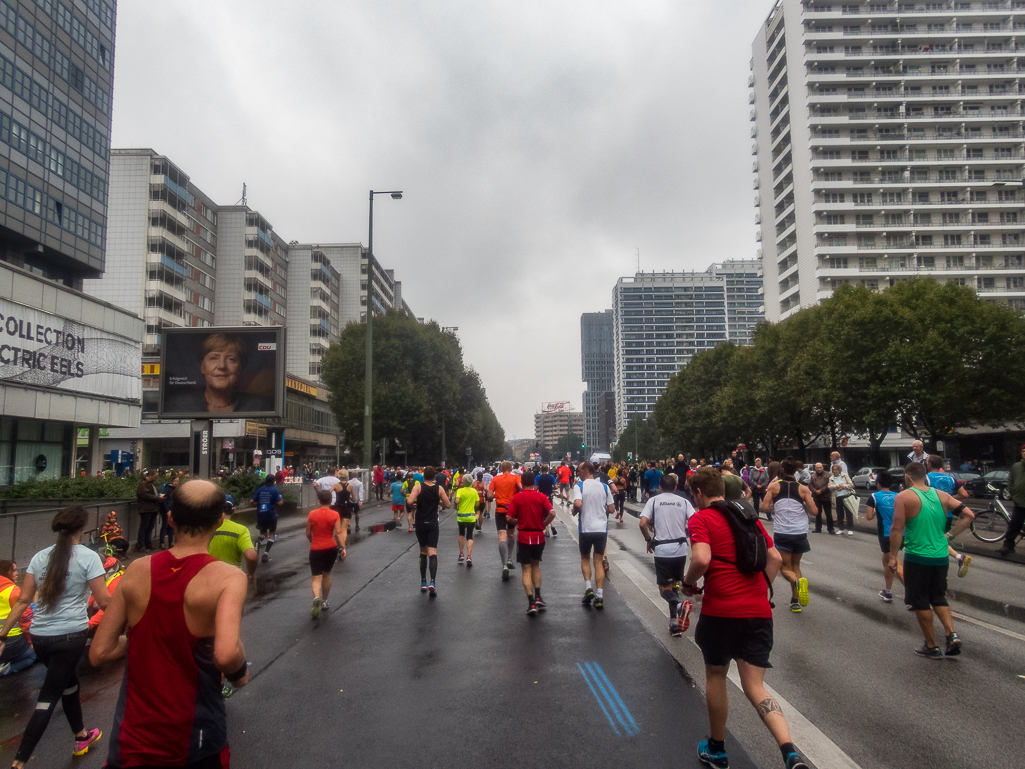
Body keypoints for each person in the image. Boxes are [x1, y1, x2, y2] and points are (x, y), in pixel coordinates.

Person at [90, 480, 250, 768]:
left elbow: (99, 652)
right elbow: (226, 653)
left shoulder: (136, 570)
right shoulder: (229, 578)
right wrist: (240, 674)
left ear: (171, 518)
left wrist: (145, 638)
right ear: (218, 521)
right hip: (194, 739)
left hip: (132, 740)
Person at [682, 467, 810, 769]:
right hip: (758, 612)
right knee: (755, 686)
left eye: (692, 495)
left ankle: (717, 749)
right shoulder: (746, 515)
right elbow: (776, 558)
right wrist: (763, 589)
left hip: (722, 611)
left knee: (716, 675)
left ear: (699, 493)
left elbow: (701, 559)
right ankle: (790, 751)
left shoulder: (701, 518)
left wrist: (689, 583)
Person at [0, 507, 109, 766]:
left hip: (40, 637)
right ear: (81, 528)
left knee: (69, 684)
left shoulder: (39, 557)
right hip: (70, 636)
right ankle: (19, 761)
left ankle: (81, 736)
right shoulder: (88, 557)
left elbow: (24, 600)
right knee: (48, 697)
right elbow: (104, 601)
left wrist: (2, 635)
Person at [889, 462, 975, 658]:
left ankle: (931, 645)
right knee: (938, 597)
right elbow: (968, 515)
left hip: (917, 556)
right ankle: (951, 634)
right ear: (924, 476)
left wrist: (893, 556)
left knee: (920, 601)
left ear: (907, 477)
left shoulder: (904, 497)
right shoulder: (942, 495)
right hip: (940, 557)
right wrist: (949, 536)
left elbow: (896, 529)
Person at [639, 474, 695, 637]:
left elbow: (642, 523)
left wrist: (648, 539)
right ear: (676, 487)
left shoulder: (654, 501)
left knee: (664, 589)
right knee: (675, 585)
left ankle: (678, 606)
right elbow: (695, 521)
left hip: (662, 550)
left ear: (660, 487)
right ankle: (674, 624)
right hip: (680, 549)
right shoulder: (684, 502)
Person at [163, 332, 273, 413]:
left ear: (240, 368)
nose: (222, 366)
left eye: (231, 359)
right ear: (202, 367)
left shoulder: (260, 406)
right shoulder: (177, 406)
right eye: (213, 358)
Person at [761, 458, 818, 613]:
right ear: (796, 470)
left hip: (783, 532)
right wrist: (804, 505)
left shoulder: (773, 486)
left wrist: (776, 507)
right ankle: (795, 601)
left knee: (785, 568)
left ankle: (797, 583)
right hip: (800, 531)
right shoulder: (803, 489)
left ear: (782, 470)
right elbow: (814, 511)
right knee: (796, 565)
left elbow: (764, 507)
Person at [507, 471, 556, 616]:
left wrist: (517, 522)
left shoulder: (517, 498)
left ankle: (531, 603)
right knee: (536, 565)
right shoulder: (541, 497)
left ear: (521, 483)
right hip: (538, 536)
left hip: (524, 536)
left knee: (526, 569)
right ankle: (538, 595)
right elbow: (552, 512)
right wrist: (543, 524)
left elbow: (509, 517)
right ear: (534, 482)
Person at [572, 461, 615, 609]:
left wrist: (574, 511)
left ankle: (589, 587)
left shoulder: (579, 486)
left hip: (586, 528)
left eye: (579, 470)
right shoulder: (604, 487)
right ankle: (600, 595)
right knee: (598, 561)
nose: (577, 472)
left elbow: (577, 504)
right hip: (601, 529)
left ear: (585, 471)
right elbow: (612, 508)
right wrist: (602, 510)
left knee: (585, 558)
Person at [925, 454, 972, 577]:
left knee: (932, 542)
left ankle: (940, 571)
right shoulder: (951, 479)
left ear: (929, 464)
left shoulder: (926, 478)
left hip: (932, 514)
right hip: (948, 515)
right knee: (940, 539)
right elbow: (964, 494)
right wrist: (950, 499)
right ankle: (958, 558)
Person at [406, 466, 451, 596]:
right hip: (432, 523)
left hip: (420, 522)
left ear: (423, 475)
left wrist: (415, 504)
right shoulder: (439, 489)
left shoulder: (418, 487)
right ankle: (433, 582)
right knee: (433, 553)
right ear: (434, 477)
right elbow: (448, 505)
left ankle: (423, 582)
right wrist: (438, 503)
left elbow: (409, 501)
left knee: (423, 551)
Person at [865, 470, 903, 603]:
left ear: (878, 484)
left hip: (887, 534)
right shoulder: (898, 496)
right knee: (886, 561)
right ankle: (887, 591)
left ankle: (913, 596)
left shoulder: (874, 497)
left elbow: (869, 517)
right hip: (901, 533)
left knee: (895, 564)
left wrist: (875, 511)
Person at [307, 489, 344, 618]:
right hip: (331, 547)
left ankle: (316, 597)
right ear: (330, 500)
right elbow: (338, 533)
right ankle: (324, 601)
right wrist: (342, 547)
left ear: (319, 500)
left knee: (316, 577)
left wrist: (313, 541)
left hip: (316, 548)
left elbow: (308, 533)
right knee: (326, 575)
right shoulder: (335, 514)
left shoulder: (312, 514)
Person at [208, 497, 258, 582]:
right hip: (233, 579)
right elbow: (251, 557)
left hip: (209, 577)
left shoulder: (206, 528)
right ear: (234, 510)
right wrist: (250, 574)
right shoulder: (241, 530)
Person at [0, 560, 36, 677]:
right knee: (33, 655)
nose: (17, 574)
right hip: (10, 641)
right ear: (6, 572)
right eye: (14, 570)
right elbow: (26, 620)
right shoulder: (13, 591)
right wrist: (32, 641)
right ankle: (6, 669)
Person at [488, 461, 523, 581]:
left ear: (501, 469)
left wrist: (496, 495)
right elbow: (521, 489)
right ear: (511, 468)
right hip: (512, 510)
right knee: (511, 533)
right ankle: (509, 559)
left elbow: (488, 495)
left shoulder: (495, 479)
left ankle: (503, 565)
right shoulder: (516, 478)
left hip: (500, 510)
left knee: (501, 535)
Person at [998, 443, 1025, 556]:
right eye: (1023, 451)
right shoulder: (1016, 466)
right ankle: (1008, 546)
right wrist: (1013, 492)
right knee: (1014, 524)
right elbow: (1011, 481)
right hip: (1019, 501)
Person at [251, 475, 283, 563]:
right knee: (272, 533)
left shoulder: (260, 490)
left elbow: (251, 501)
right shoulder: (275, 490)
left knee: (263, 533)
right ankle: (265, 553)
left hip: (261, 514)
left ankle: (258, 540)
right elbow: (280, 503)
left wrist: (258, 504)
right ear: (273, 481)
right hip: (271, 514)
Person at [331, 469, 358, 560]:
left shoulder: (336, 486)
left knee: (337, 531)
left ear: (339, 475)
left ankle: (339, 547)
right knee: (344, 530)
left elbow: (328, 493)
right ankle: (342, 548)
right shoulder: (350, 486)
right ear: (346, 476)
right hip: (346, 508)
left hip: (337, 509)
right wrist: (348, 496)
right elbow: (354, 499)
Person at [455, 475, 479, 566]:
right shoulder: (474, 491)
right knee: (470, 535)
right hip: (471, 516)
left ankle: (461, 553)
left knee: (461, 533)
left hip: (461, 516)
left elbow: (457, 501)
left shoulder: (460, 490)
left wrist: (457, 503)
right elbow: (477, 504)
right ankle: (469, 556)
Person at [135, 468, 161, 553]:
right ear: (150, 475)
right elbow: (145, 495)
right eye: (155, 476)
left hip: (152, 508)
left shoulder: (151, 484)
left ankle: (148, 544)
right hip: (146, 509)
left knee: (150, 527)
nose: (156, 478)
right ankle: (141, 545)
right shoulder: (143, 484)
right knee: (144, 527)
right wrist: (157, 498)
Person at [830, 463, 857, 535]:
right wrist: (836, 486)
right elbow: (829, 486)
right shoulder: (831, 478)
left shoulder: (844, 476)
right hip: (837, 497)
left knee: (848, 513)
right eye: (833, 469)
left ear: (839, 470)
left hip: (846, 495)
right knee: (839, 513)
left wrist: (843, 486)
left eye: (836, 469)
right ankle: (841, 528)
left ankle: (850, 529)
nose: (834, 471)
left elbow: (851, 485)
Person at [808, 462, 835, 534]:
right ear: (815, 468)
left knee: (828, 513)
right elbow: (810, 485)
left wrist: (821, 490)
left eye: (820, 467)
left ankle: (830, 529)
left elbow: (829, 485)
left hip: (826, 496)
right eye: (817, 468)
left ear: (822, 468)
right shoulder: (813, 476)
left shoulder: (828, 475)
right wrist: (814, 491)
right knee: (817, 513)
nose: (819, 469)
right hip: (816, 497)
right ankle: (818, 528)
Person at [534, 465, 558, 537]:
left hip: (541, 497)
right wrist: (551, 489)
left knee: (543, 514)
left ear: (541, 470)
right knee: (550, 512)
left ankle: (547, 531)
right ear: (547, 469)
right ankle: (552, 525)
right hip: (549, 496)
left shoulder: (538, 477)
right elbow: (556, 487)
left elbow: (535, 488)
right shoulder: (551, 477)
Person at [159, 474, 180, 549]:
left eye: (177, 481)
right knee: (164, 526)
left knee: (171, 526)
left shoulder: (177, 490)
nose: (176, 482)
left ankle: (170, 542)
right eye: (175, 481)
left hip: (173, 509)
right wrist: (167, 510)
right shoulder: (168, 488)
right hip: (166, 510)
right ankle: (162, 543)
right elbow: (163, 500)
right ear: (172, 481)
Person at [348, 468, 364, 533]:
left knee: (349, 513)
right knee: (357, 512)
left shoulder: (348, 482)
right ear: (357, 475)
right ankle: (357, 526)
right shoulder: (360, 483)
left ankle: (348, 525)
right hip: (357, 500)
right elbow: (361, 492)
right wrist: (361, 500)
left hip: (350, 499)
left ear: (351, 475)